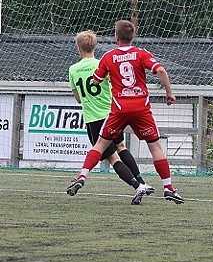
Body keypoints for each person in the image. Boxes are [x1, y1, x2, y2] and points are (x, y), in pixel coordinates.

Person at [67, 20, 185, 205]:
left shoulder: (106, 57)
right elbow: (161, 70)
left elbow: (95, 80)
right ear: (133, 36)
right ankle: (168, 188)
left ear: (116, 37)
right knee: (153, 147)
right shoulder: (141, 53)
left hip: (117, 110)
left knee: (101, 146)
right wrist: (169, 93)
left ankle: (82, 176)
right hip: (141, 107)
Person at [68, 30, 147, 193]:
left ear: (78, 48)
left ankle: (137, 186)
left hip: (93, 119)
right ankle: (142, 182)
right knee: (121, 147)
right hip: (111, 115)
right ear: (94, 47)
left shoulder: (73, 69)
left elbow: (78, 98)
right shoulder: (102, 64)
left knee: (112, 157)